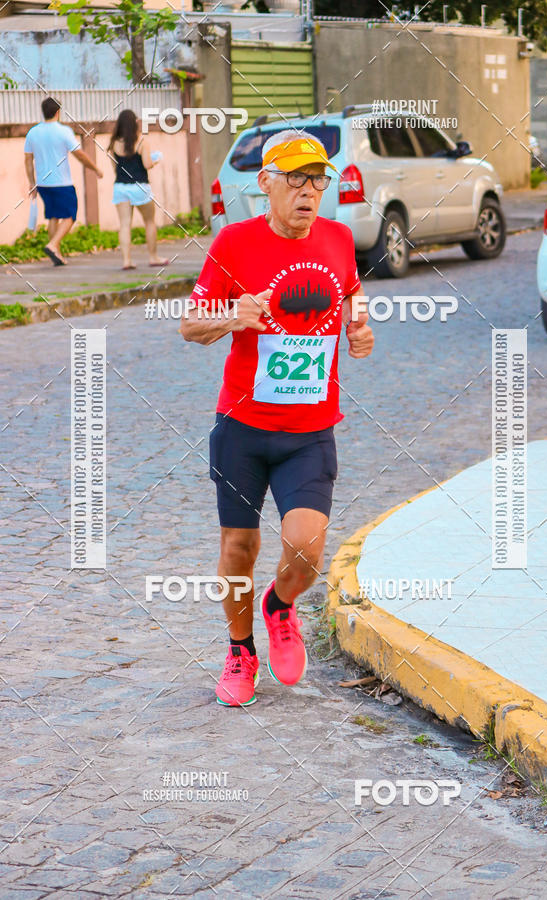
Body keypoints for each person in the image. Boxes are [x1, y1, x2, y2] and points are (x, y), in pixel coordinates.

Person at [181, 130, 374, 707]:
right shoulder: (234, 242)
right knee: (239, 546)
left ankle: (279, 605)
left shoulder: (339, 238)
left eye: (317, 179)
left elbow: (351, 294)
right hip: (242, 428)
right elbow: (190, 325)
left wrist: (359, 328)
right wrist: (231, 316)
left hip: (310, 433)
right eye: (295, 178)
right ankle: (240, 650)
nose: (308, 190)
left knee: (307, 549)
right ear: (265, 183)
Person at [24, 97, 103, 266]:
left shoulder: (33, 132)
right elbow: (79, 154)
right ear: (58, 112)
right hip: (62, 183)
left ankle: (57, 254)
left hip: (43, 184)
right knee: (70, 216)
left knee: (53, 216)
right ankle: (53, 245)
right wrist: (95, 168)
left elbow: (28, 160)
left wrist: (32, 182)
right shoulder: (63, 131)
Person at [108, 110, 168, 270]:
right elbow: (147, 164)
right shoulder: (141, 142)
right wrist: (156, 160)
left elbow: (114, 167)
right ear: (135, 123)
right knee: (149, 222)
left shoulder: (114, 143)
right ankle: (153, 257)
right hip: (140, 187)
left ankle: (126, 261)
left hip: (120, 187)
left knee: (124, 224)